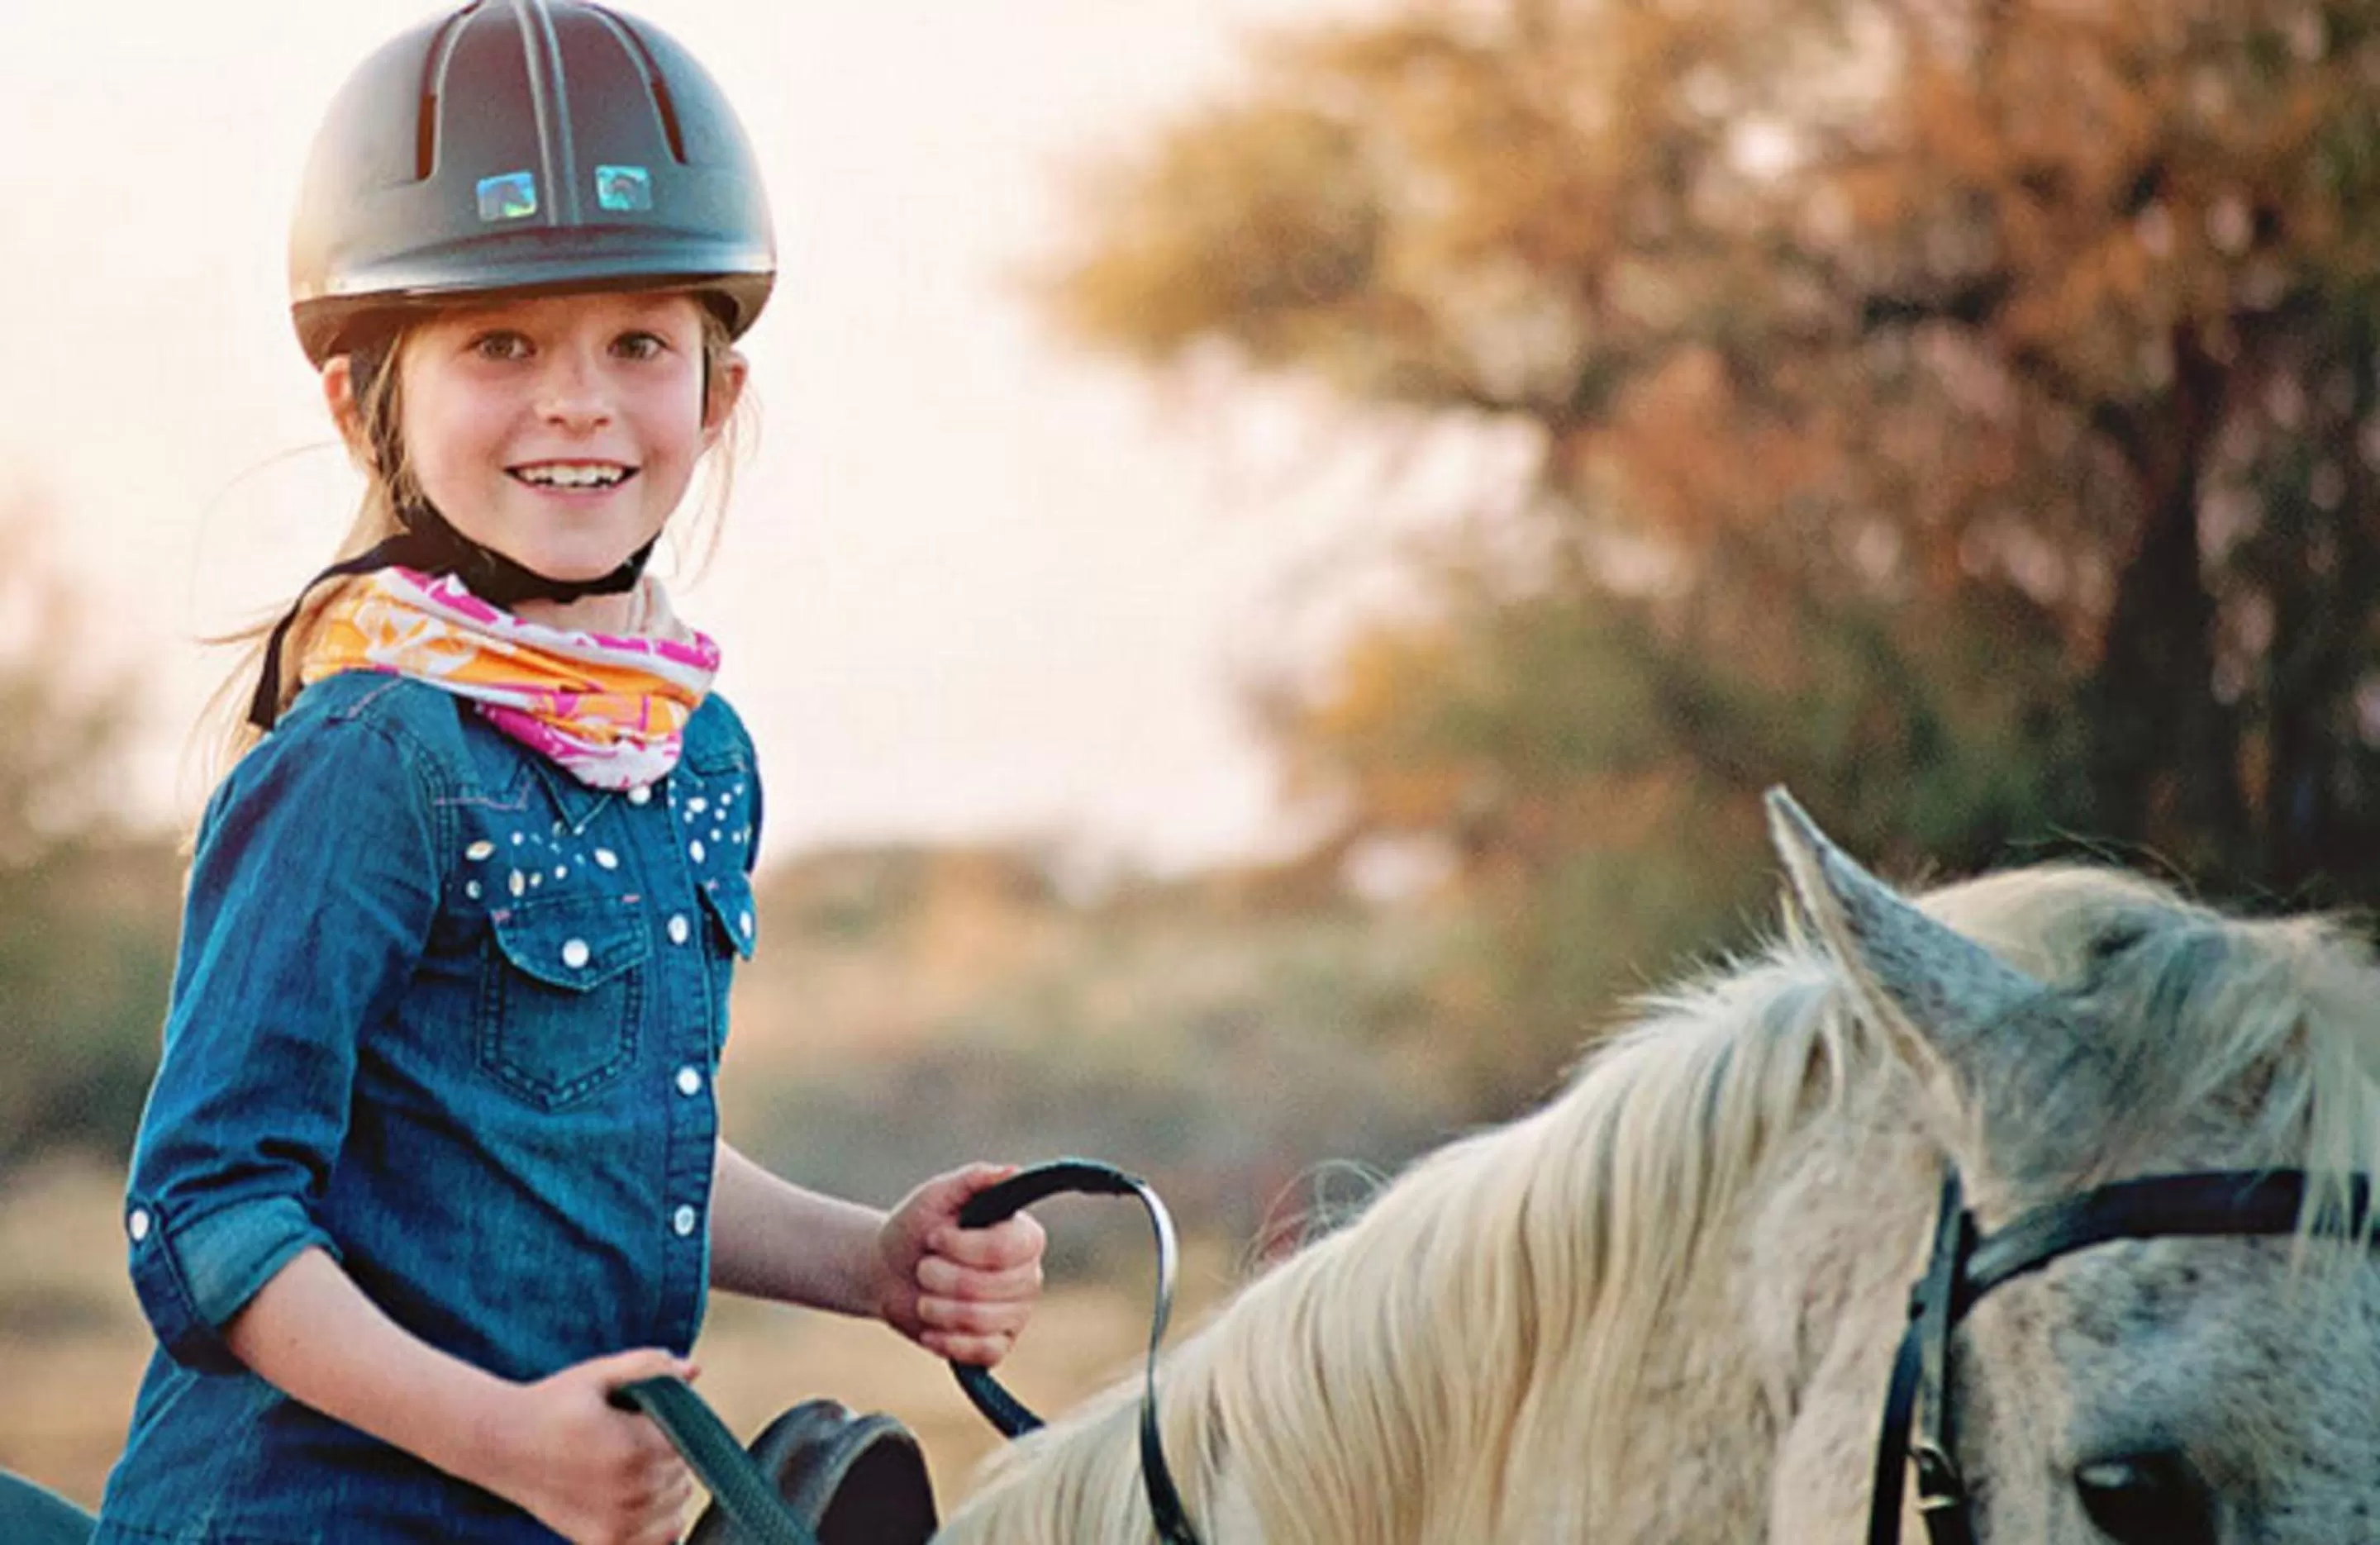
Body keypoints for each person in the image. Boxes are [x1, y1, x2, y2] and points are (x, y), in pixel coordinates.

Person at [93, 4, 1046, 1541]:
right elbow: (206, 1213)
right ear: (362, 402)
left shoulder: (694, 753)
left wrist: (872, 1260)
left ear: (716, 394)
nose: (577, 401)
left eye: (638, 344)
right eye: (501, 344)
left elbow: (617, 1143)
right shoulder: (369, 756)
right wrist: (506, 1442)